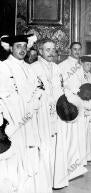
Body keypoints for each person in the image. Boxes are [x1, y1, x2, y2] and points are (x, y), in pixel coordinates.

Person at [0, 34, 51, 193]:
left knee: (30, 153)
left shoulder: (29, 67)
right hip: (12, 119)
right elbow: (3, 94)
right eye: (18, 46)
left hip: (31, 118)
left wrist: (34, 101)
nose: (22, 50)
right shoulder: (3, 66)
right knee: (13, 156)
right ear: (10, 48)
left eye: (24, 46)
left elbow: (39, 88)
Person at [31, 38, 68, 188]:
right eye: (48, 50)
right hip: (41, 114)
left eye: (53, 50)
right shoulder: (33, 68)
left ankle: (56, 180)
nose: (51, 53)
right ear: (40, 51)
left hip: (56, 112)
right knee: (44, 146)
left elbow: (60, 88)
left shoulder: (57, 68)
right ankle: (43, 184)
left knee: (56, 146)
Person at [58, 42, 88, 181]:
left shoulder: (80, 66)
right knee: (70, 137)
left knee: (79, 134)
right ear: (69, 50)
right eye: (74, 49)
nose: (76, 52)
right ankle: (69, 167)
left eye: (78, 50)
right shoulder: (63, 65)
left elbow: (82, 84)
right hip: (69, 104)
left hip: (79, 102)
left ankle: (79, 165)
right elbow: (61, 84)